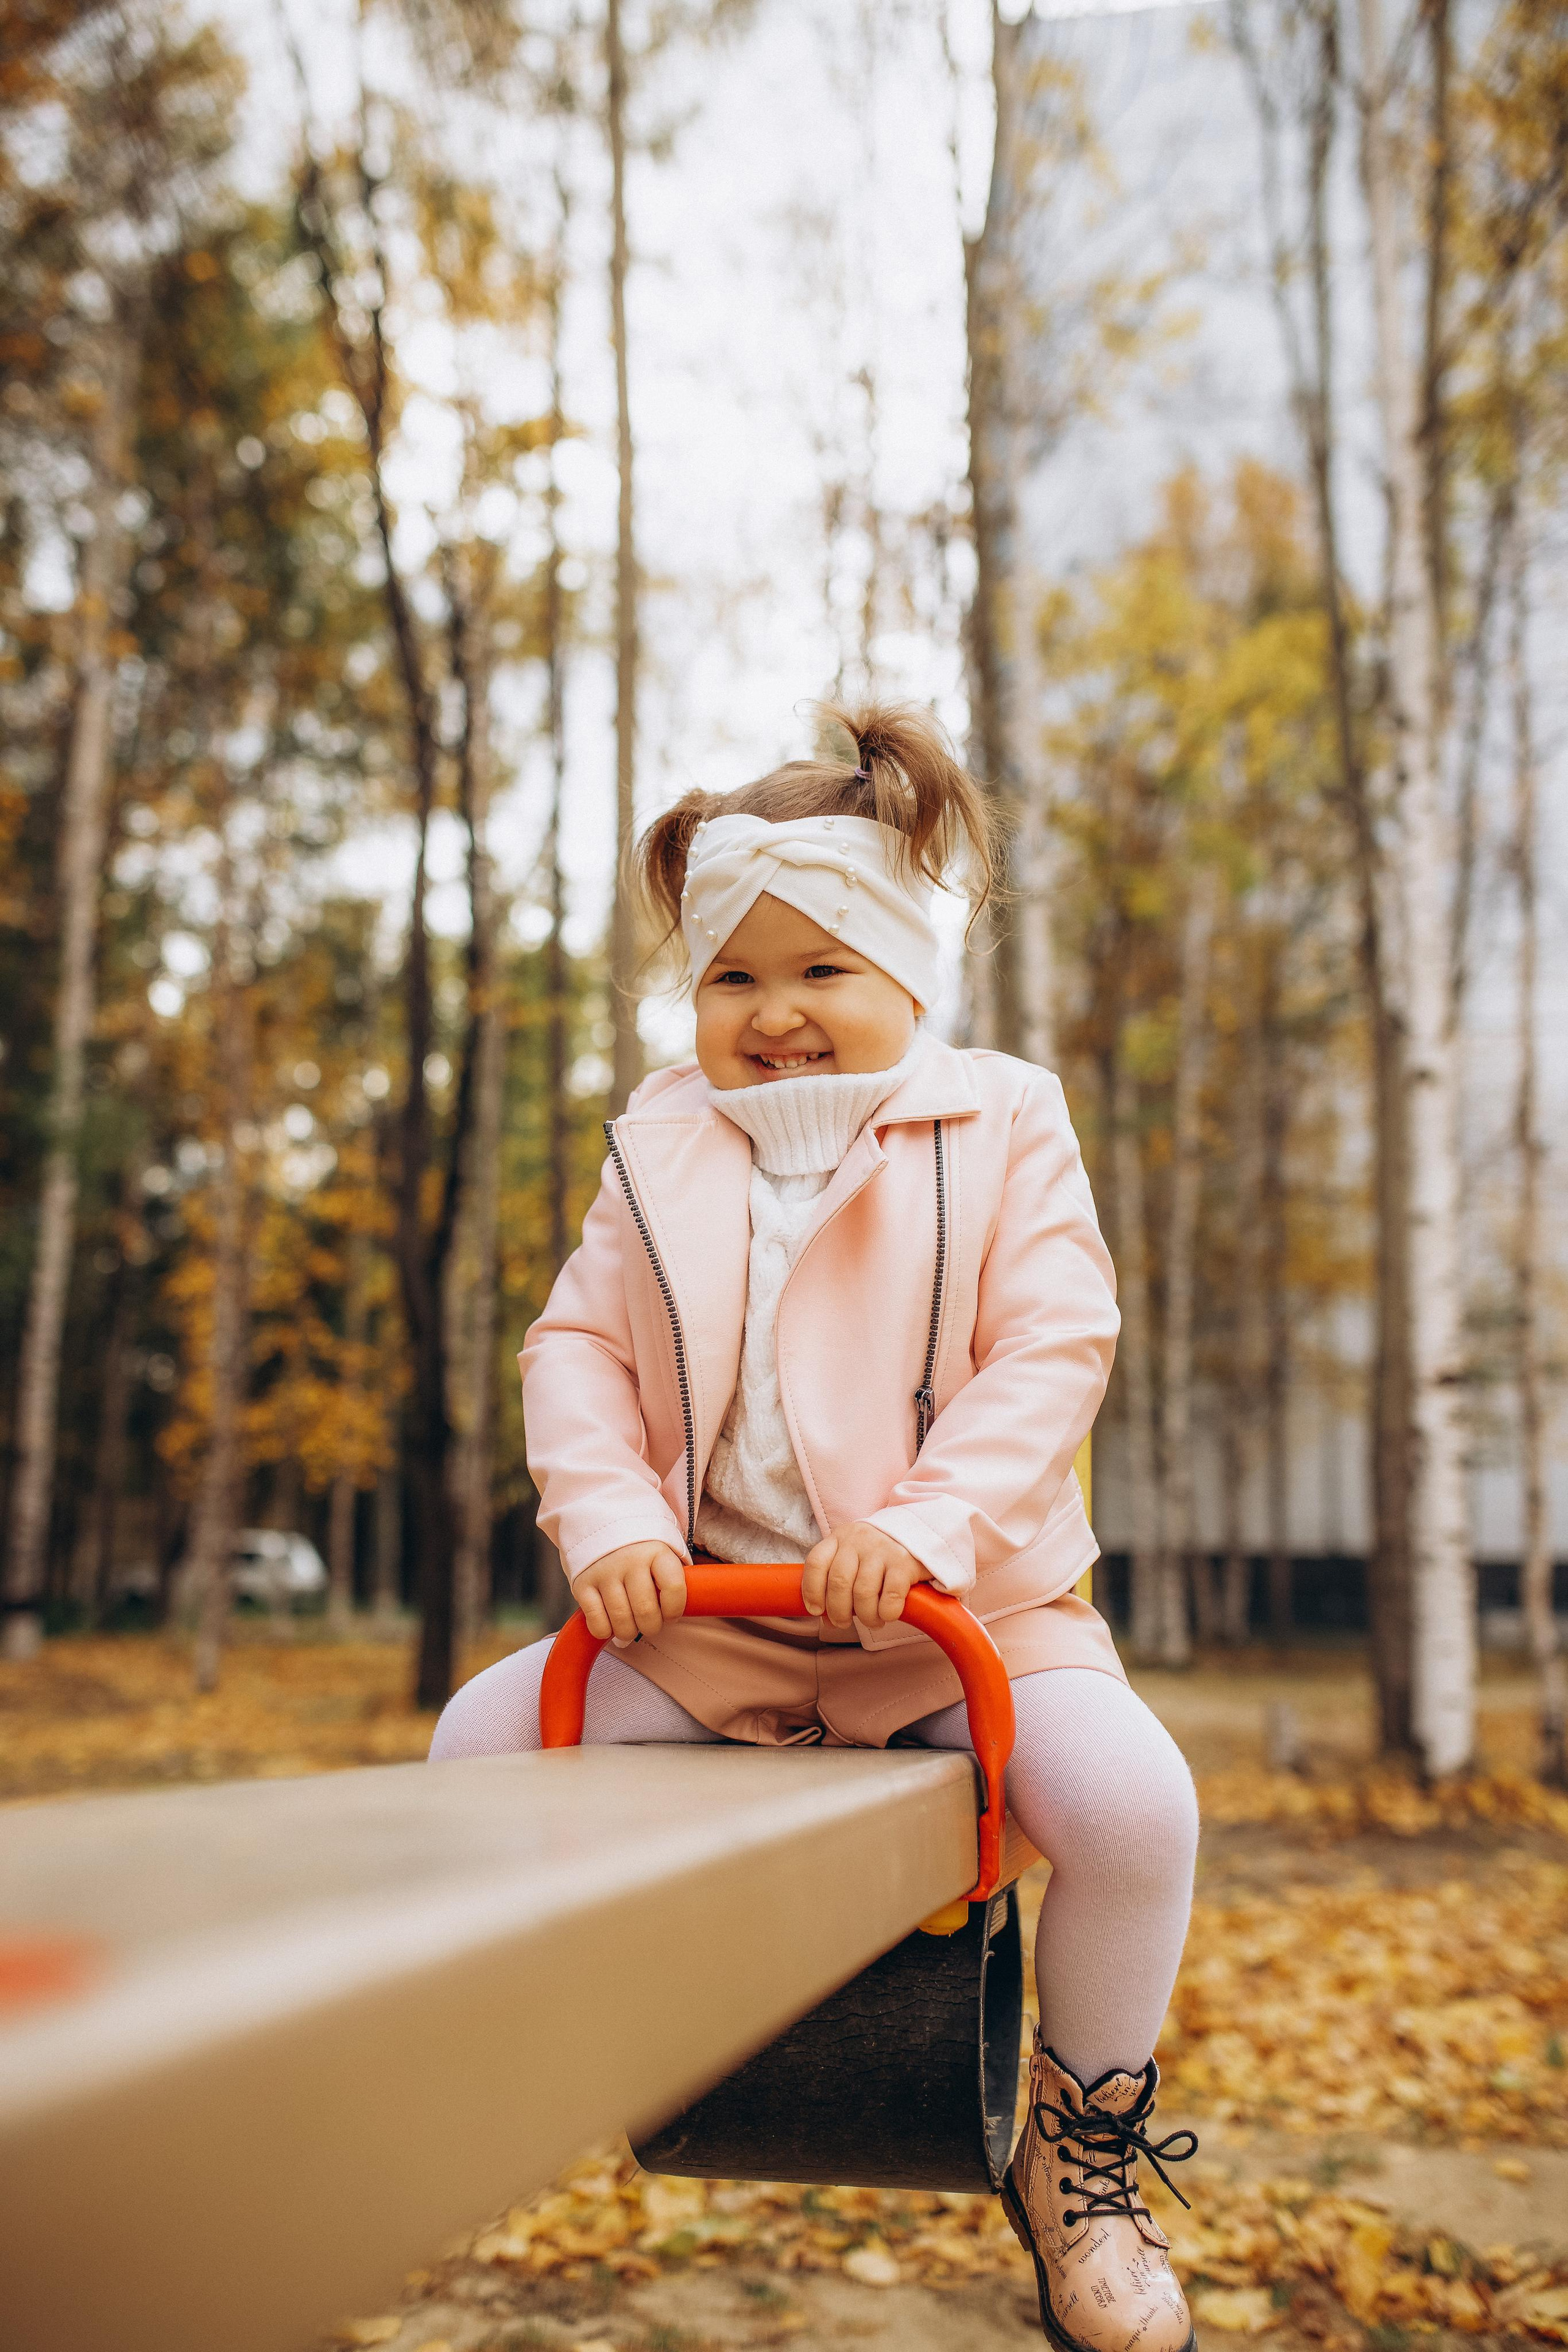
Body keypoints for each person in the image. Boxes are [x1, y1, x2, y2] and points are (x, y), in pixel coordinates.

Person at [431, 703, 1200, 2352]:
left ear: (906, 977)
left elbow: (1054, 1340)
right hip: (714, 1620)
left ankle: (1085, 2149)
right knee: (478, 1746)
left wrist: (928, 1525)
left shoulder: (998, 1120)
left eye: (820, 970)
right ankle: (572, 2045)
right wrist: (619, 1521)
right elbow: (576, 1346)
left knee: (1133, 1807)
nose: (774, 1016)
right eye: (731, 979)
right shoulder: (658, 1146)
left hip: (960, 1617)